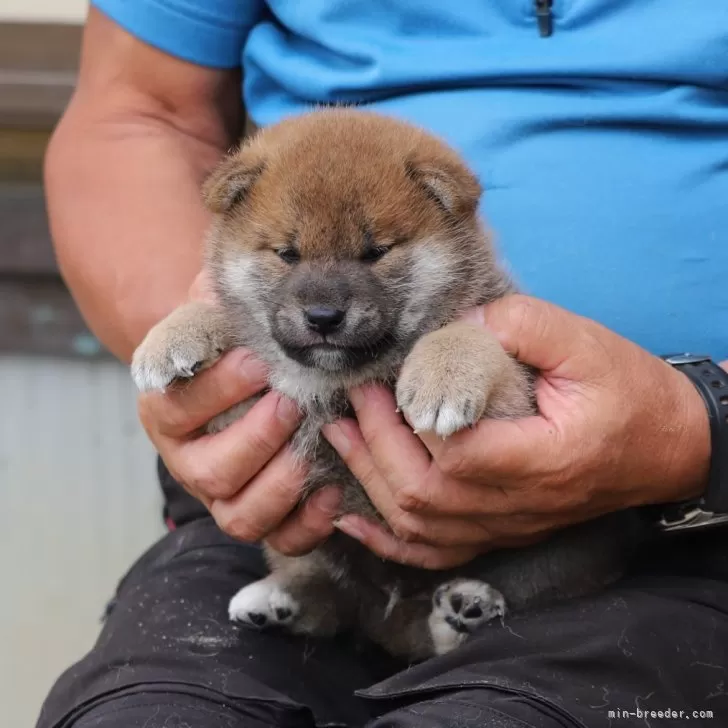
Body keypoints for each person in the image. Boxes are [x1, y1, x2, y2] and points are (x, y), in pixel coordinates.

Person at [37, 3, 728, 727]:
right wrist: (217, 383)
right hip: (286, 511)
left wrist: (698, 427)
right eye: (291, 256)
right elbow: (137, 113)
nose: (327, 301)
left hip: (676, 532)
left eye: (374, 256)